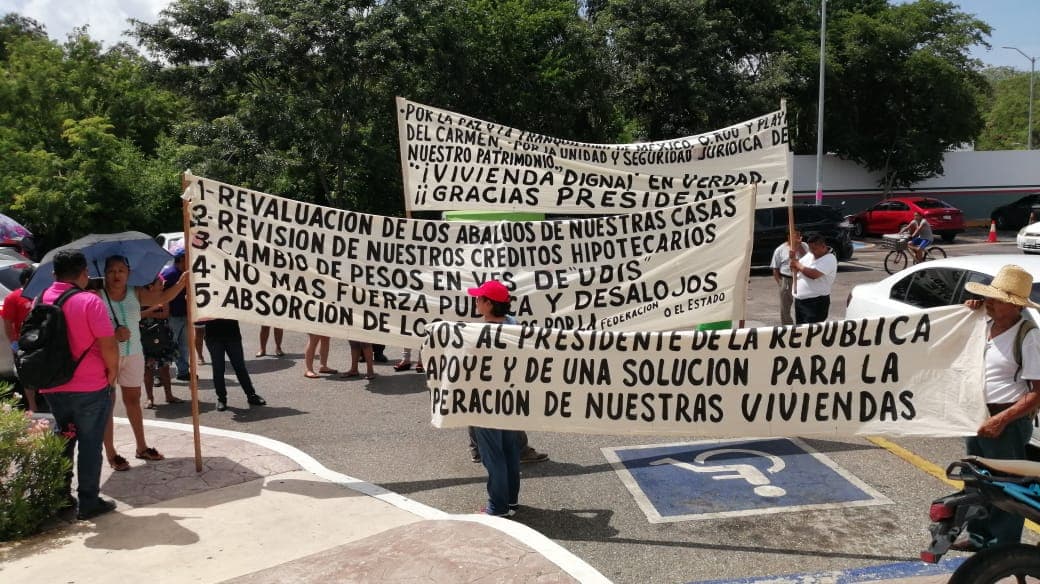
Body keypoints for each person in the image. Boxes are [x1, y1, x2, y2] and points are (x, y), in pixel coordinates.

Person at [956, 264, 1040, 551]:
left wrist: (1002, 419)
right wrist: (973, 309)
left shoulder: (1028, 336)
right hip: (978, 414)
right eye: (988, 297)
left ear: (1014, 305)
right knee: (977, 479)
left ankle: (1002, 547)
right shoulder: (986, 323)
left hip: (1007, 421)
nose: (989, 302)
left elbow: (1038, 392)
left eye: (996, 299)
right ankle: (979, 535)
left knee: (1006, 485)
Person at [37, 249, 118, 520]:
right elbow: (108, 344)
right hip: (89, 385)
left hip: (52, 384)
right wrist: (112, 373)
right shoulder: (90, 301)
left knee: (65, 436)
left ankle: (61, 496)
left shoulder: (40, 298)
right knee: (90, 441)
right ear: (84, 273)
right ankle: (89, 501)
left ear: (53, 274)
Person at [100, 255, 187, 471]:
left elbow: (162, 298)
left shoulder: (135, 292)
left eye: (121, 270)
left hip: (134, 354)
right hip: (106, 356)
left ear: (128, 272)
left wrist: (182, 283)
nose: (116, 275)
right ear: (104, 273)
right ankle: (111, 453)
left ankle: (141, 447)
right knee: (107, 405)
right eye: (111, 270)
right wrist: (113, 334)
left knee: (133, 400)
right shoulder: (96, 296)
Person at [466, 279, 524, 517]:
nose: (476, 301)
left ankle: (497, 506)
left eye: (479, 298)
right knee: (509, 449)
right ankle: (510, 500)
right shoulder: (513, 325)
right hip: (510, 399)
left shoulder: (480, 333)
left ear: (489, 304)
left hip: (487, 402)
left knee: (493, 454)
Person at [204, 318, 267, 411]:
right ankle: (221, 399)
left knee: (240, 367)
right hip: (213, 336)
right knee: (218, 369)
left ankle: (251, 395)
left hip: (232, 334)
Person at [139, 277, 182, 409]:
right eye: (159, 283)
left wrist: (147, 314)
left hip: (162, 334)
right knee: (148, 369)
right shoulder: (139, 296)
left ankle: (169, 395)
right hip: (145, 336)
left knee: (165, 367)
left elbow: (165, 314)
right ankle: (149, 398)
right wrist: (154, 309)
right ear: (151, 287)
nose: (163, 285)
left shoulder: (164, 295)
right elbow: (137, 314)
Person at [3, 266, 38, 410]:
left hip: (42, 342)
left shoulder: (42, 295)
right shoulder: (13, 297)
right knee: (26, 375)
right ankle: (33, 405)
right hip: (23, 344)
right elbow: (7, 323)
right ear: (27, 280)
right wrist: (13, 343)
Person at [160, 248, 193, 379]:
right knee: (167, 346)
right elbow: (159, 294)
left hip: (185, 315)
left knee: (184, 346)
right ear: (181, 259)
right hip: (172, 317)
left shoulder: (188, 273)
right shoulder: (169, 274)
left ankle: (183, 372)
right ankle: (160, 374)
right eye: (187, 257)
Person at [790, 233, 837, 324]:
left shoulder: (830, 259)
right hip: (801, 301)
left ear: (823, 246)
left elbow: (814, 274)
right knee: (801, 331)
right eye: (810, 249)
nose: (812, 251)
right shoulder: (810, 254)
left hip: (815, 302)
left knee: (811, 331)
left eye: (814, 249)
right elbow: (797, 267)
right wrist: (793, 260)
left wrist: (797, 264)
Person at [769, 230, 808, 326]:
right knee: (785, 307)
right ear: (788, 236)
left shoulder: (804, 246)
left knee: (803, 304)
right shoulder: (780, 249)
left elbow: (809, 258)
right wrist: (780, 283)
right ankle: (788, 326)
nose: (797, 237)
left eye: (799, 235)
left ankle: (802, 324)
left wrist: (799, 246)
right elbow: (775, 268)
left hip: (801, 279)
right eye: (795, 235)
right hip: (786, 279)